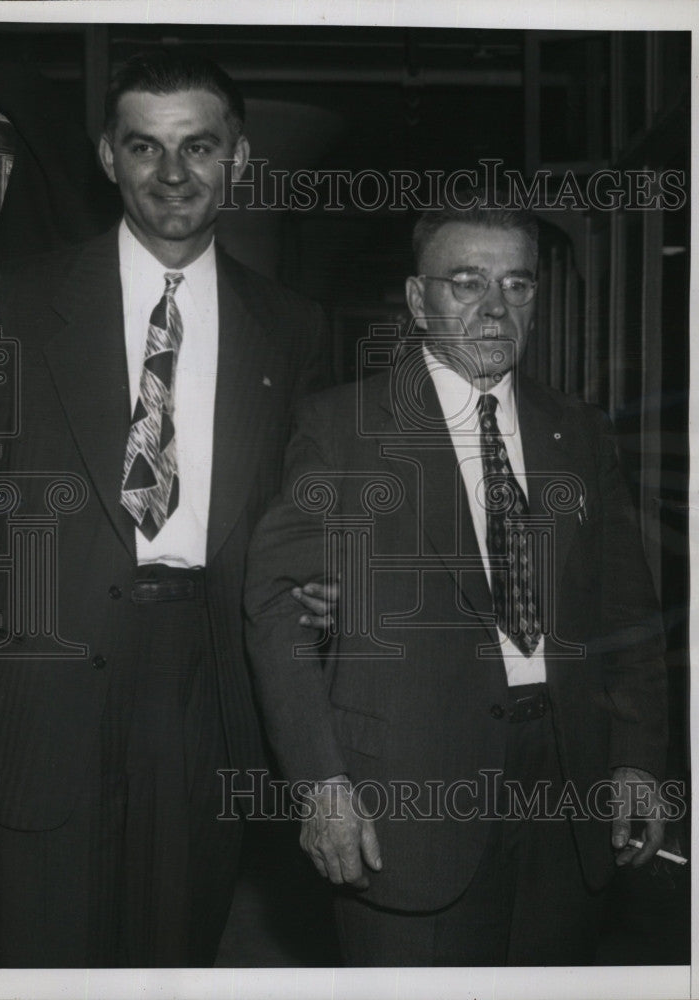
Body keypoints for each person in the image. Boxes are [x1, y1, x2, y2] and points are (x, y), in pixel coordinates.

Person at [0, 49, 330, 968]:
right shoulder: (9, 308)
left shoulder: (292, 326)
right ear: (106, 157)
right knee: (31, 961)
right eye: (144, 147)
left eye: (198, 146)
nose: (172, 173)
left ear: (237, 159)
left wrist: (326, 586)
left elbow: (301, 514)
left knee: (171, 959)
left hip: (205, 698)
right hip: (32, 691)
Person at [243, 197, 669, 966]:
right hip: (406, 797)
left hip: (568, 792)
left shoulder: (579, 431)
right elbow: (279, 615)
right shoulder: (341, 427)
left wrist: (638, 758)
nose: (494, 308)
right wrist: (320, 783)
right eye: (466, 282)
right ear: (416, 298)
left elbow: (627, 611)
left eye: (517, 285)